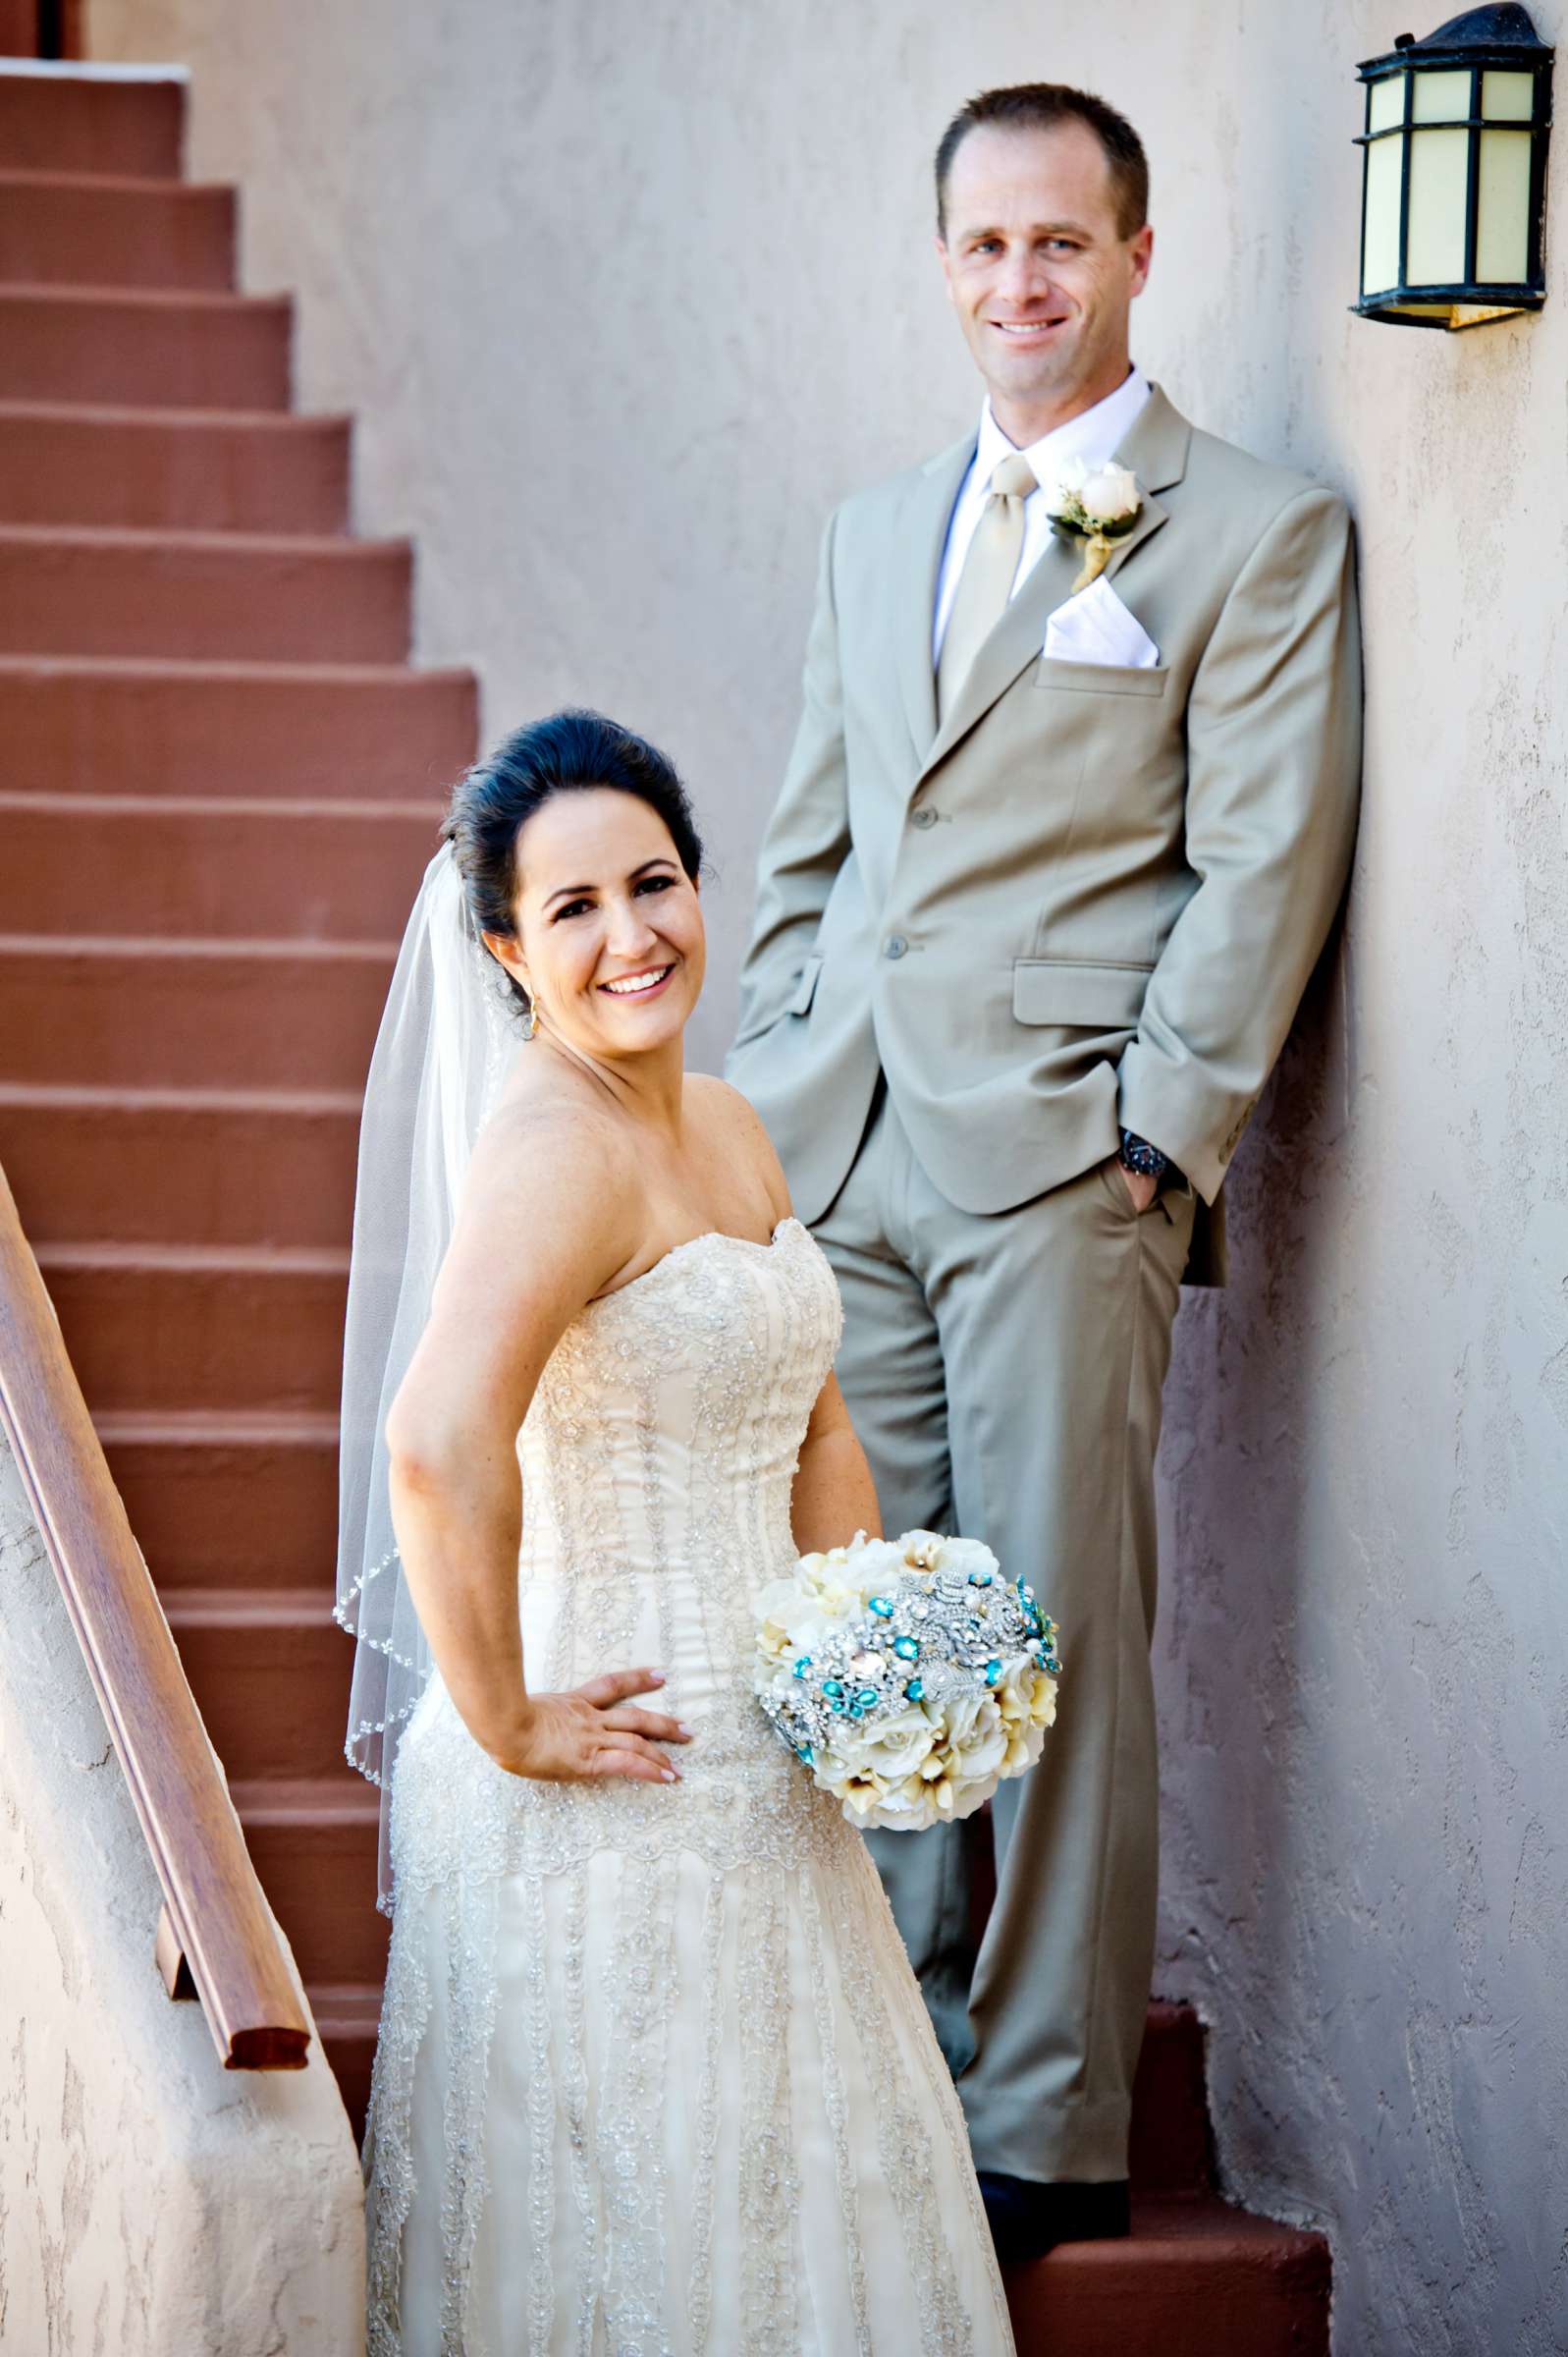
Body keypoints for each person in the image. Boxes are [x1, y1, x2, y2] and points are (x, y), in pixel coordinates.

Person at [727, 82, 1362, 2260]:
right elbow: (812, 840)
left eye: (1059, 247)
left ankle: (1039, 2121)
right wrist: (789, 1057)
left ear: (1134, 257)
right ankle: (891, 2054)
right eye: (985, 247)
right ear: (941, 263)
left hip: (1065, 1176)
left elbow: (1261, 864)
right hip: (858, 1164)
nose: (1020, 285)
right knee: (869, 1622)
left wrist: (1151, 1143)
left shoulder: (1250, 532)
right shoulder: (872, 524)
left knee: (1051, 1638)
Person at [337, 710, 1017, 2352]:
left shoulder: (725, 1123)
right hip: (618, 1764)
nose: (628, 935)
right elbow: (432, 1442)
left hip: (765, 1752)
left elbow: (822, 1420)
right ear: (504, 944)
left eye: (652, 884)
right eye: (569, 909)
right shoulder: (552, 1151)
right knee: (636, 2224)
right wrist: (503, 1715)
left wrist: (862, 1649)